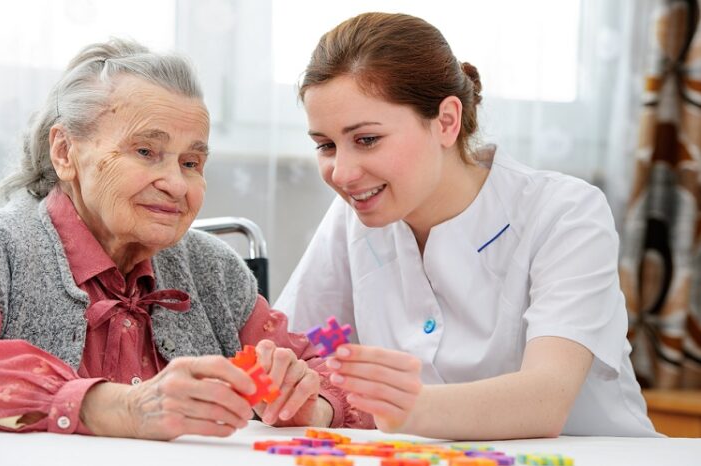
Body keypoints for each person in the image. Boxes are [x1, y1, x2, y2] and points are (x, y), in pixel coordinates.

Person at [0, 38, 372, 440]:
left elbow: (337, 376)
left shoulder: (216, 272)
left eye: (191, 162)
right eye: (145, 152)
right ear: (64, 151)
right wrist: (122, 407)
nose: (175, 183)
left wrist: (312, 402)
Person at [275, 12, 659, 439]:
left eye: (367, 139)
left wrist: (402, 407)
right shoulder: (355, 216)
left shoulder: (565, 213)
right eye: (326, 146)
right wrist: (287, 389)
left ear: (446, 121)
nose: (342, 174)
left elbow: (545, 400)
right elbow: (296, 348)